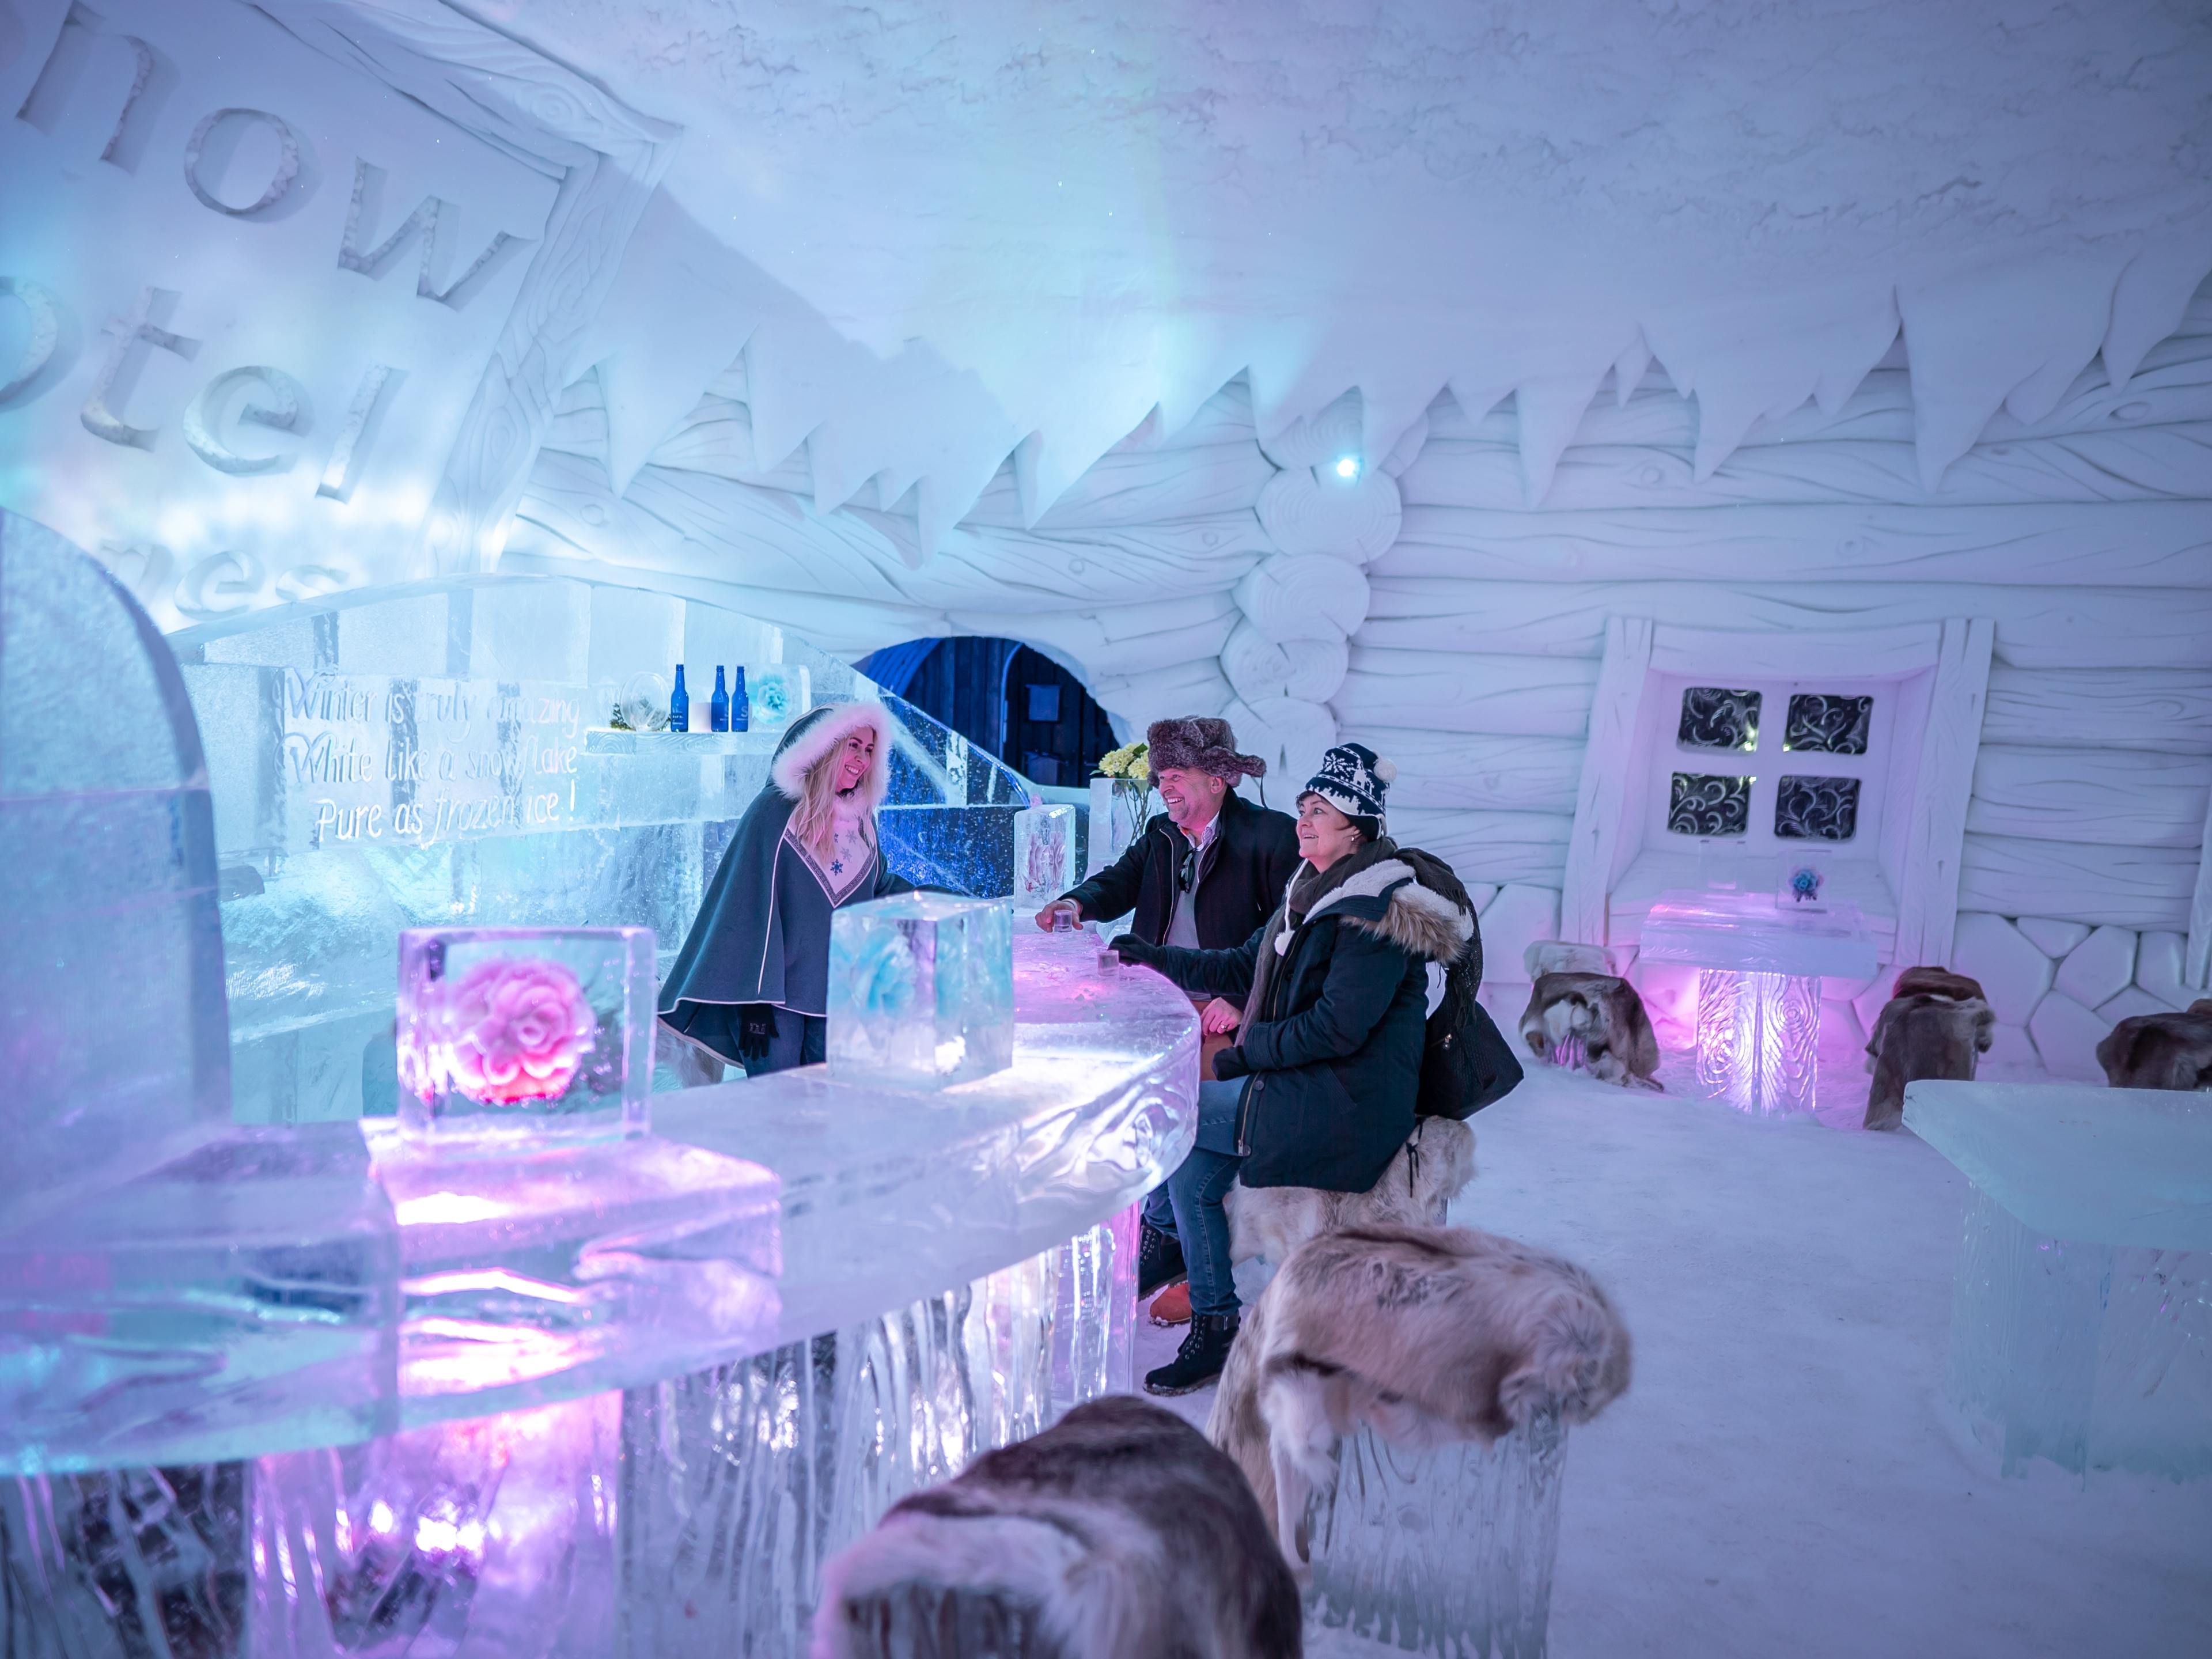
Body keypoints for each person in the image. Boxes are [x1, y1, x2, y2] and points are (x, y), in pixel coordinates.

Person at [1109, 742, 1476, 1395]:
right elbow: (1236, 965)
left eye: (1322, 810)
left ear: (1357, 829)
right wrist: (1153, 956)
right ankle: (1214, 1320)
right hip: (1306, 1082)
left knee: (1177, 1112)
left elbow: (1338, 1029)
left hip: (1348, 1103)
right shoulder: (1311, 893)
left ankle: (1168, 1242)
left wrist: (1243, 1054)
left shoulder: (1375, 913)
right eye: (1304, 806)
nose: (1304, 820)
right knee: (1192, 1164)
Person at [1034, 716, 1299, 1294]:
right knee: (1138, 1107)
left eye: (1176, 776)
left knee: (1188, 1116)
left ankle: (1179, 1238)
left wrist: (1240, 996)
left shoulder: (1271, 836)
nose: (1164, 788)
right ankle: (1166, 1232)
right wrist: (1077, 903)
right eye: (1161, 778)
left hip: (1228, 1008)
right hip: (1161, 1002)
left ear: (1218, 780)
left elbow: (1292, 934)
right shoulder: (1161, 835)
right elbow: (1117, 883)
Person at [659, 702, 909, 1077]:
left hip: (836, 998)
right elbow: (743, 909)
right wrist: (755, 1004)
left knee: (824, 1105)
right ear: (825, 745)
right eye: (853, 745)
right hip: (774, 1001)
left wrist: (939, 900)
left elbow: (878, 889)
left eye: (870, 750)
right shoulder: (775, 812)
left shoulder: (862, 822)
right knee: (776, 1106)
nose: (862, 758)